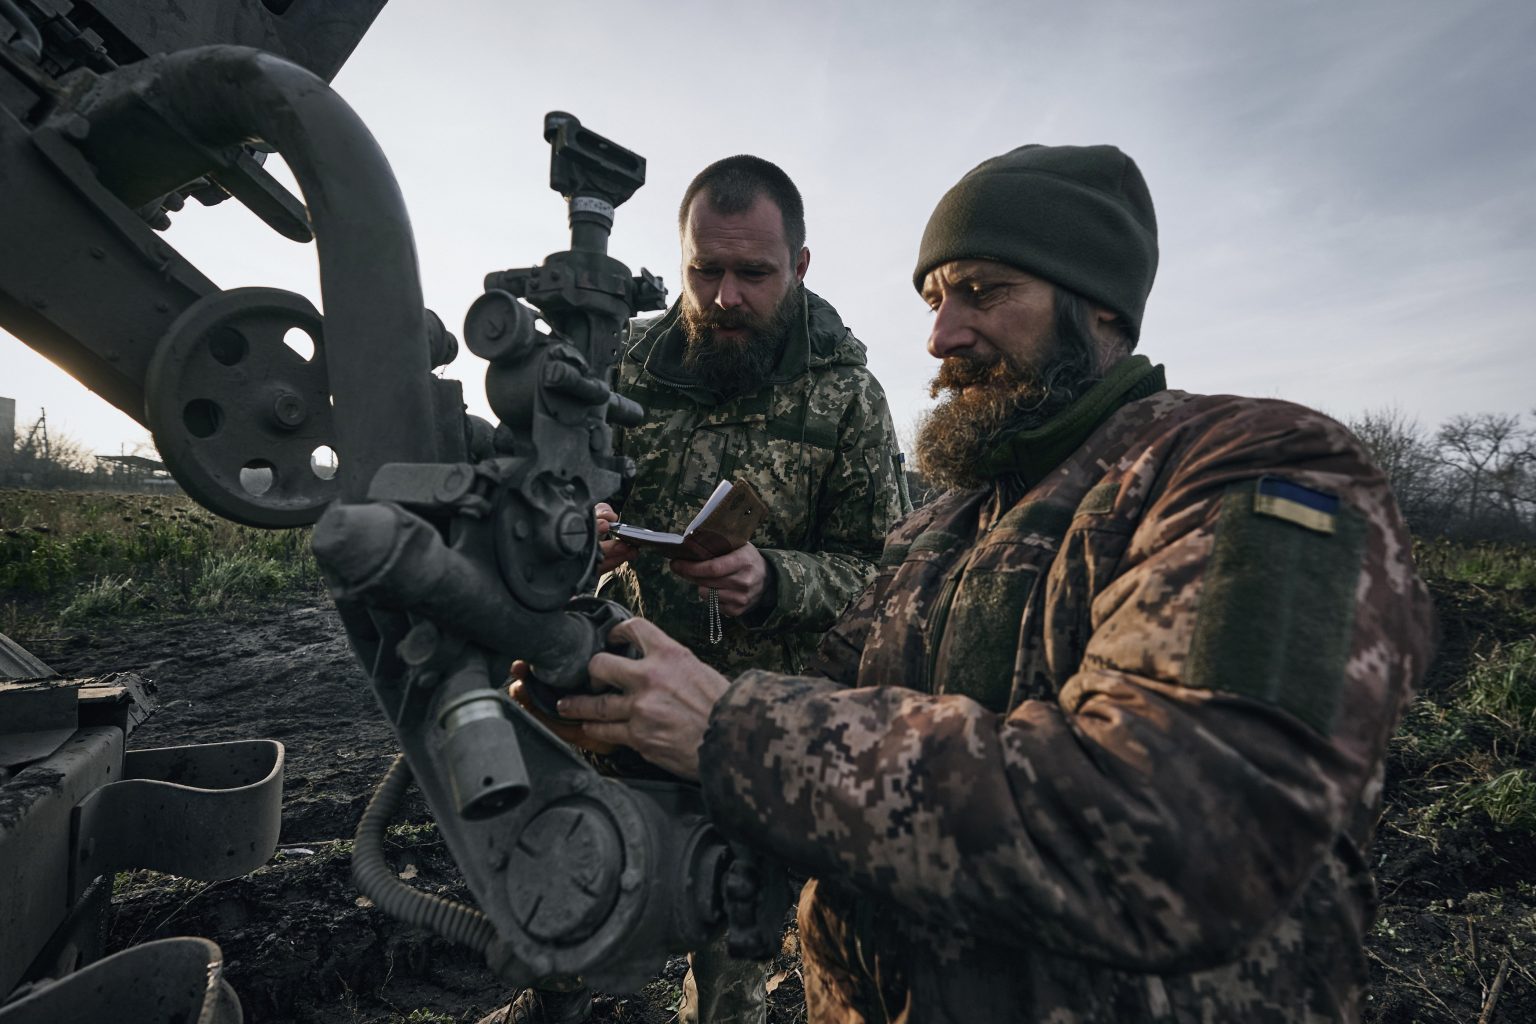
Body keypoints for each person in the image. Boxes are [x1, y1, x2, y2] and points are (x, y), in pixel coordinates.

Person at [556, 143, 1437, 1022]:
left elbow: (1179, 841)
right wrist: (604, 691)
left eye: (982, 292)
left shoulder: (1248, 474)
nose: (941, 337)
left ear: (1098, 301)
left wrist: (730, 728)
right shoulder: (940, 529)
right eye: (936, 301)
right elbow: (825, 704)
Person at [493, 156, 908, 1024]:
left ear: (800, 265)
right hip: (626, 684)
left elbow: (883, 577)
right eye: (704, 271)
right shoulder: (625, 365)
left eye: (753, 273)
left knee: (731, 937)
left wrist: (775, 579)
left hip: (756, 720)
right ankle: (552, 1002)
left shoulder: (847, 397)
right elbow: (564, 486)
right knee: (575, 873)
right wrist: (588, 532)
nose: (725, 297)